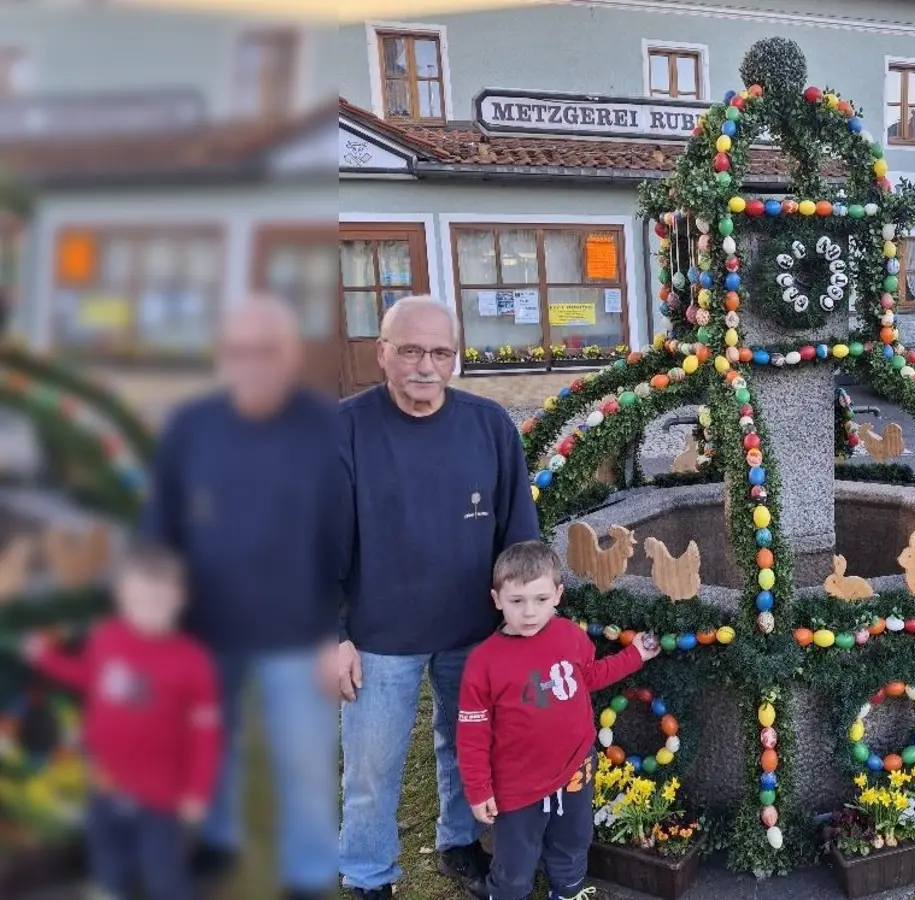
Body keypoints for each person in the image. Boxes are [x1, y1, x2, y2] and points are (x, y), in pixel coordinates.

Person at [336, 296, 541, 900]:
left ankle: (459, 843)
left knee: (468, 745)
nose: (425, 365)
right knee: (373, 765)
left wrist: (522, 622)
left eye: (440, 352)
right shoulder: (341, 430)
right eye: (410, 350)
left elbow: (519, 531)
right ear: (383, 354)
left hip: (474, 632)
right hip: (377, 633)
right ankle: (369, 873)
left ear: (455, 358)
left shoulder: (490, 425)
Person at [141, 296, 344, 899]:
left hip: (300, 629)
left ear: (291, 356)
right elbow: (160, 524)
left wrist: (340, 630)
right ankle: (218, 838)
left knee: (305, 758)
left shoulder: (326, 426)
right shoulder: (190, 426)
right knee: (210, 745)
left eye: (267, 350)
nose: (252, 364)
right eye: (239, 351)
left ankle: (309, 870)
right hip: (205, 627)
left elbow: (345, 535)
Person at [457, 541, 662, 900]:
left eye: (540, 599)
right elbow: (472, 734)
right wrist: (478, 790)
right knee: (515, 862)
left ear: (557, 594)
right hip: (517, 787)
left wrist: (635, 656)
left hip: (575, 771)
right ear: (497, 599)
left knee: (572, 843)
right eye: (516, 601)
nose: (529, 611)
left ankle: (566, 892)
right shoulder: (483, 662)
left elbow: (591, 676)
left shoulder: (570, 635)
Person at [22, 540, 222, 900]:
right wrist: (44, 657)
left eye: (160, 600)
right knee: (108, 860)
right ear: (123, 598)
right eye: (141, 599)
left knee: (162, 869)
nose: (150, 610)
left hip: (160, 797)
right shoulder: (107, 639)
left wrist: (197, 793)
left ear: (180, 600)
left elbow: (206, 736)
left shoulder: (193, 662)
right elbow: (84, 676)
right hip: (105, 782)